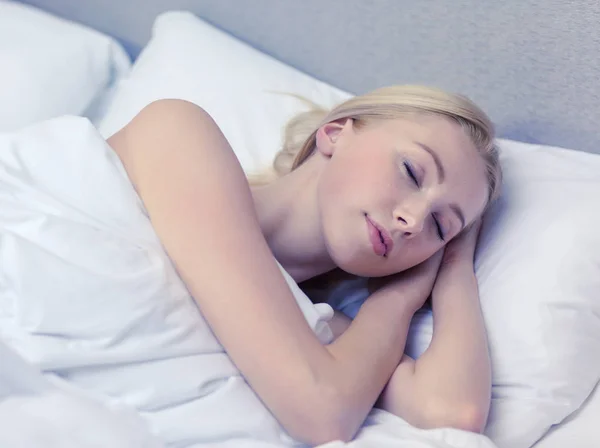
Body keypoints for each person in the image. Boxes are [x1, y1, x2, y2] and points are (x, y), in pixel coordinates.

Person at [107, 85, 502, 446]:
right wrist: (400, 300)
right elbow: (324, 412)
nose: (413, 221)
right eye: (412, 172)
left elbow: (451, 414)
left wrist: (450, 268)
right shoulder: (179, 135)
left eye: (439, 225)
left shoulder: (321, 331)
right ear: (334, 134)